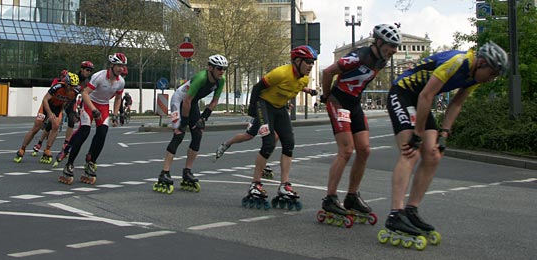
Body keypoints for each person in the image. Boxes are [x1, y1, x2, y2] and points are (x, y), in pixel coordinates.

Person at [379, 41, 508, 243]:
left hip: (420, 99)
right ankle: (396, 214)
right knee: (410, 152)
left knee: (433, 154)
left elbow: (456, 103)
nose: (491, 79)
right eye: (492, 74)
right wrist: (418, 132)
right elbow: (426, 94)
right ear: (482, 62)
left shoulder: (474, 77)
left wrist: (444, 133)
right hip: (403, 93)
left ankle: (411, 209)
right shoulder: (457, 62)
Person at [317, 24, 401, 224]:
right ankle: (330, 198)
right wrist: (327, 96)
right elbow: (328, 72)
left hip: (354, 104)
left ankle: (352, 196)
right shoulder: (359, 56)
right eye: (391, 46)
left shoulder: (382, 61)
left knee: (364, 150)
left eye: (396, 47)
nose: (394, 51)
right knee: (346, 151)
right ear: (379, 42)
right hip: (338, 101)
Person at [240, 45, 317, 210]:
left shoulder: (304, 79)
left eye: (313, 62)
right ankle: (255, 183)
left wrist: (312, 93)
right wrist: (253, 110)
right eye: (308, 62)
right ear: (297, 61)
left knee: (289, 143)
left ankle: (284, 185)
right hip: (264, 105)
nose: (311, 66)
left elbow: (293, 89)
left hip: (279, 108)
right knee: (268, 144)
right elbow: (257, 88)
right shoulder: (280, 73)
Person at [152, 54, 228, 194]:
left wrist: (203, 118)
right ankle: (164, 172)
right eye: (219, 68)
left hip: (191, 102)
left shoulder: (221, 80)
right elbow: (185, 101)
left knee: (198, 134)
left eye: (224, 69)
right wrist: (184, 123)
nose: (222, 71)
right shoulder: (201, 78)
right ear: (210, 68)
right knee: (179, 134)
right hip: (179, 100)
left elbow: (214, 101)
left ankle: (187, 171)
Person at [58, 53, 126, 185]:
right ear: (111, 65)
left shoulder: (121, 82)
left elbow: (118, 98)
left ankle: (91, 162)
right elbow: (84, 93)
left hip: (104, 106)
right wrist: (93, 109)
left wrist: (116, 114)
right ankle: (69, 164)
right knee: (84, 132)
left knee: (102, 133)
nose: (120, 68)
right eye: (118, 65)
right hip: (90, 103)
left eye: (122, 66)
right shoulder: (99, 76)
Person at [13, 72, 80, 163]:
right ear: (66, 84)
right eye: (71, 86)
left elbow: (67, 102)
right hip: (46, 106)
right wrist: (49, 113)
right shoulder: (57, 87)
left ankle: (47, 149)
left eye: (74, 86)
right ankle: (22, 149)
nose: (72, 88)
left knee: (56, 126)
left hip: (57, 108)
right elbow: (45, 99)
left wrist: (62, 111)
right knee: (36, 127)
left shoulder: (75, 92)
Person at [33, 61, 95, 157]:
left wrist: (81, 108)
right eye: (87, 70)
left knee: (71, 120)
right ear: (81, 69)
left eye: (90, 71)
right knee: (50, 124)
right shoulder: (74, 77)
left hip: (71, 102)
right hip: (61, 99)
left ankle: (66, 143)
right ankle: (40, 142)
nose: (88, 72)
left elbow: (85, 95)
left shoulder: (87, 82)